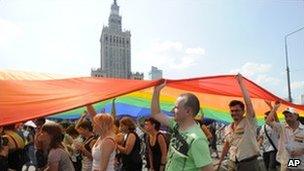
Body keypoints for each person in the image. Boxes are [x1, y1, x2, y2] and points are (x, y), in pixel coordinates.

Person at [151, 82, 213, 171]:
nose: (172, 110)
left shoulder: (197, 139)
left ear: (188, 111)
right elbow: (156, 113)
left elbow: (208, 169)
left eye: (176, 107)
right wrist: (156, 91)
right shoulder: (176, 125)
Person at [218, 74, 260, 171]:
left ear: (243, 111)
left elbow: (248, 103)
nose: (234, 113)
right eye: (232, 111)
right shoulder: (228, 127)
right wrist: (220, 160)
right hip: (233, 162)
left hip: (249, 163)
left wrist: (241, 83)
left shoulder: (249, 121)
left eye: (237, 110)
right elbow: (227, 144)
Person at [266, 103, 304, 170]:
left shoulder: (303, 129)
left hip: (299, 162)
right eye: (286, 116)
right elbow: (268, 121)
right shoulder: (282, 127)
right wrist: (274, 108)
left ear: (296, 116)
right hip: (285, 161)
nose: (288, 118)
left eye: (290, 116)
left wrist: (302, 151)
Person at [258, 102, 280, 171]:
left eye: (270, 115)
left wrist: (272, 107)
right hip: (265, 150)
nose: (267, 118)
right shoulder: (263, 127)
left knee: (271, 168)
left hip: (274, 150)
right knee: (267, 168)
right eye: (266, 117)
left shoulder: (276, 126)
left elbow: (276, 118)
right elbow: (261, 138)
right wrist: (258, 147)